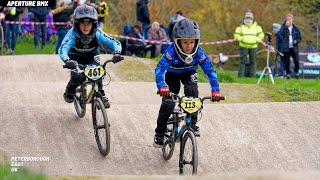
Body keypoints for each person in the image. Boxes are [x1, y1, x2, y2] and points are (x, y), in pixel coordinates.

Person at [153, 18, 222, 148]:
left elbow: (210, 71)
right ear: (177, 41)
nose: (189, 46)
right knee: (168, 102)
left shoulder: (199, 53)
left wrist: (215, 90)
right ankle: (160, 133)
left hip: (189, 73)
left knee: (192, 92)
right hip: (172, 75)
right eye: (185, 42)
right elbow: (160, 69)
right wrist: (162, 86)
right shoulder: (171, 51)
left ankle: (192, 123)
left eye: (192, 42)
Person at [58, 4, 123, 107]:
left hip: (91, 56)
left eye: (89, 23)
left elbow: (114, 42)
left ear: (94, 24)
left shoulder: (98, 33)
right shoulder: (72, 34)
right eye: (83, 23)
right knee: (78, 76)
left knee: (99, 72)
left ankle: (101, 94)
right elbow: (63, 48)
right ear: (76, 23)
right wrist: (66, 60)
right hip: (75, 57)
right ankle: (69, 90)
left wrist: (117, 52)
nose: (86, 26)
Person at [234, 10, 264, 77]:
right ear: (244, 19)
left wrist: (257, 40)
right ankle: (240, 76)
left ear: (252, 19)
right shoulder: (240, 27)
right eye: (246, 18)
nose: (248, 20)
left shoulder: (257, 27)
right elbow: (236, 35)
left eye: (249, 18)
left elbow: (261, 35)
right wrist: (241, 39)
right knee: (242, 62)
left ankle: (252, 76)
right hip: (243, 46)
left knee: (253, 62)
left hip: (253, 46)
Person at [277, 13, 302, 79]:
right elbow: (280, 34)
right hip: (286, 48)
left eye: (289, 19)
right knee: (287, 62)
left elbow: (299, 37)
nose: (288, 21)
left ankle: (296, 72)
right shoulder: (283, 28)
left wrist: (296, 41)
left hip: (294, 48)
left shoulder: (296, 28)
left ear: (292, 20)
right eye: (287, 19)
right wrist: (285, 27)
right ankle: (288, 74)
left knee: (296, 61)